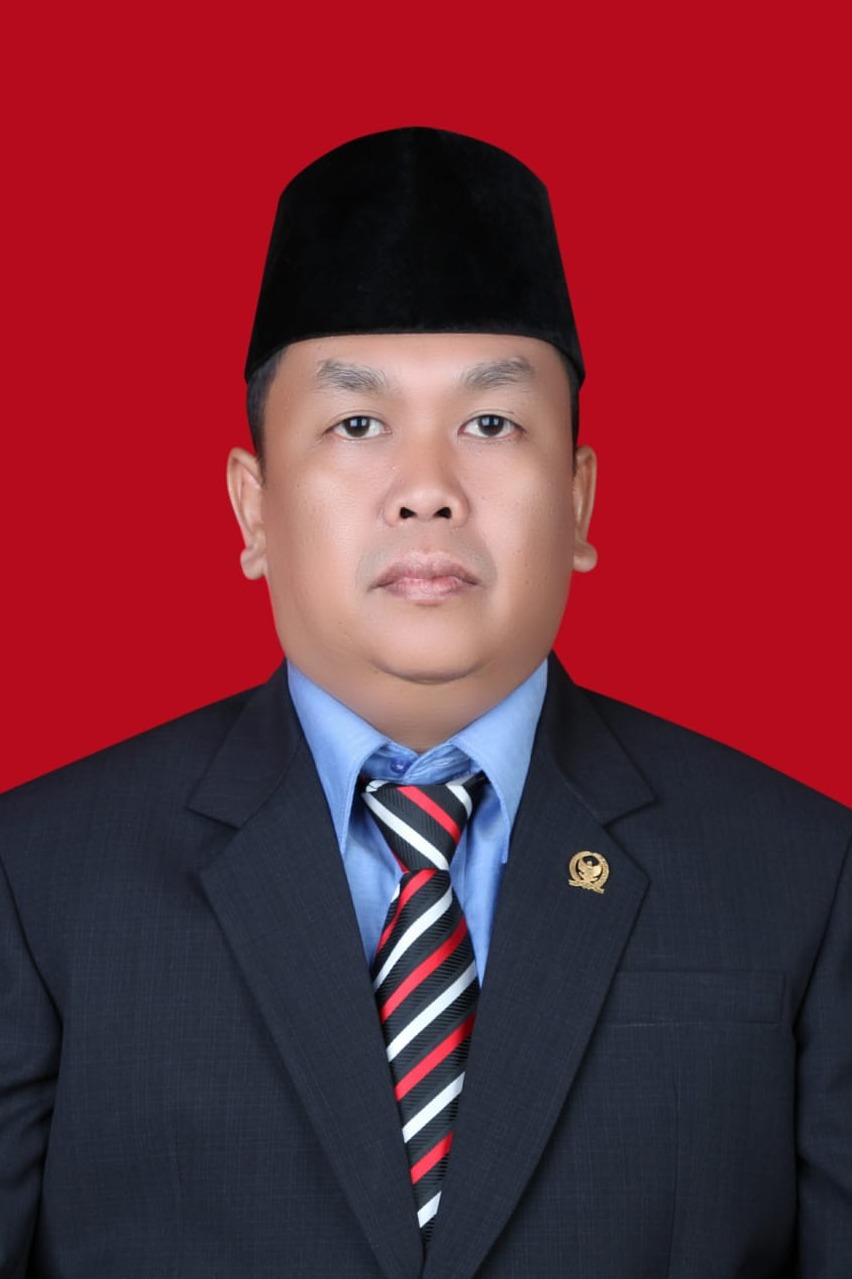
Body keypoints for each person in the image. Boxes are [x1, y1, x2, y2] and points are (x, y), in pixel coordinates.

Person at [0, 127, 849, 1279]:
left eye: (490, 424)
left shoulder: (801, 875)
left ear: (579, 496)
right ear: (252, 507)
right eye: (357, 424)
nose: (428, 493)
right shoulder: (38, 882)